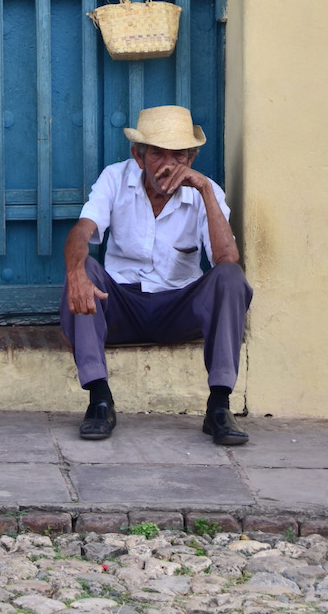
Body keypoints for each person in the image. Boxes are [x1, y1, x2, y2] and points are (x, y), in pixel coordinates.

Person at [60, 105, 252, 445]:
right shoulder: (115, 179)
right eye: (157, 154)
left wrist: (205, 191)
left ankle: (220, 406)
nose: (167, 165)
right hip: (121, 305)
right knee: (84, 268)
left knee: (231, 277)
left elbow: (226, 258)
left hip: (178, 309)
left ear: (191, 158)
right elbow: (82, 230)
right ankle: (100, 399)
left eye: (178, 155)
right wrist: (75, 270)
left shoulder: (208, 192)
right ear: (138, 155)